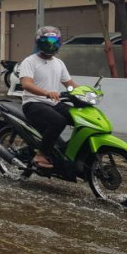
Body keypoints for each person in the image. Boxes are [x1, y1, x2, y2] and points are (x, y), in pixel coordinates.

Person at [20, 26, 78, 169]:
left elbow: (69, 84)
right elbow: (26, 84)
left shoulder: (59, 63)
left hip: (53, 103)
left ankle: (69, 152)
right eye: (47, 41)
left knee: (79, 117)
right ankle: (40, 154)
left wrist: (83, 93)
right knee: (59, 121)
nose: (51, 44)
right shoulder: (30, 61)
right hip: (33, 103)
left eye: (54, 41)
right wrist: (46, 93)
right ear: (39, 42)